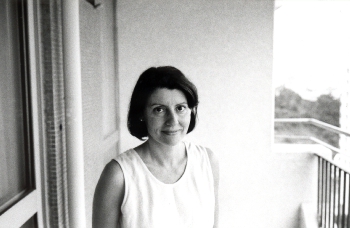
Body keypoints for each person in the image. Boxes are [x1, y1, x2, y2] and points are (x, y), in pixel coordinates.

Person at [92, 66, 219, 228]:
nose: (172, 121)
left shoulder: (208, 162)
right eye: (159, 110)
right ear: (141, 115)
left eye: (180, 108)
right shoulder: (118, 175)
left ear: (191, 111)